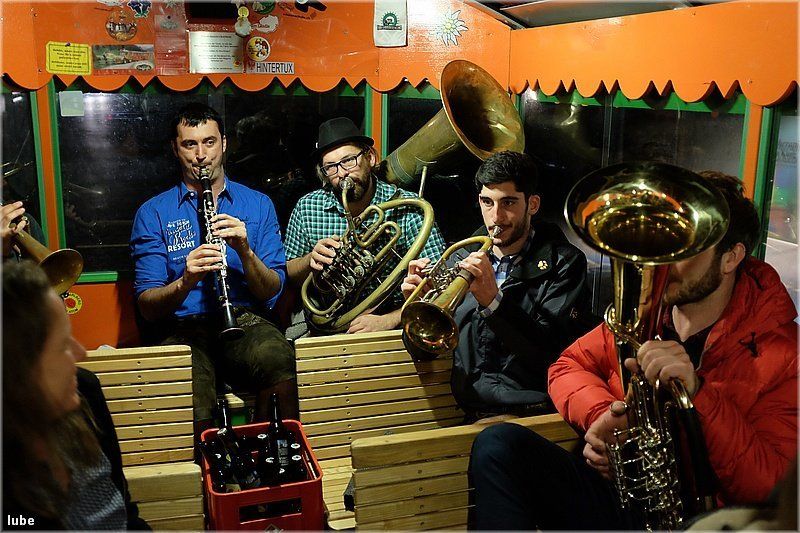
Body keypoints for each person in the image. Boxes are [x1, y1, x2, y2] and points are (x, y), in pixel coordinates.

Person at [468, 171, 798, 529]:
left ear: (731, 258)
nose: (662, 261)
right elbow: (567, 365)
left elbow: (770, 489)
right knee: (498, 446)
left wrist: (699, 395)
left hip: (696, 519)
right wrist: (602, 418)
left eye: (685, 247)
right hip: (620, 495)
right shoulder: (647, 315)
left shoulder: (786, 353)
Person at [130, 103, 296, 435]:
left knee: (279, 357)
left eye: (209, 142)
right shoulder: (153, 213)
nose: (201, 155)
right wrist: (185, 281)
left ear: (224, 143)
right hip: (183, 326)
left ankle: (266, 452)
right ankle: (209, 463)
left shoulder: (257, 204)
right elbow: (147, 307)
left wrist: (245, 251)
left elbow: (272, 291)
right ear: (175, 149)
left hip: (244, 318)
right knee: (187, 383)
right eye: (189, 144)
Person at [402, 150, 592, 422]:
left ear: (533, 204)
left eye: (508, 203)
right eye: (487, 202)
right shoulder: (460, 257)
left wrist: (494, 302)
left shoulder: (565, 264)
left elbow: (551, 356)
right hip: (471, 413)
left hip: (535, 411)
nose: (496, 217)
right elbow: (425, 353)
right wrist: (419, 306)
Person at [2, 261, 149, 530]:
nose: (81, 353)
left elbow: (126, 512)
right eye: (62, 346)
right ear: (18, 369)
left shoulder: (84, 392)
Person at [284, 117, 446, 334]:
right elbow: (289, 273)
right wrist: (310, 260)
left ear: (370, 157)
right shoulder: (308, 207)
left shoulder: (409, 207)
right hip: (326, 326)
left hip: (396, 325)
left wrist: (390, 320)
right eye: (331, 167)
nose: (342, 173)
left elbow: (442, 284)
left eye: (349, 160)